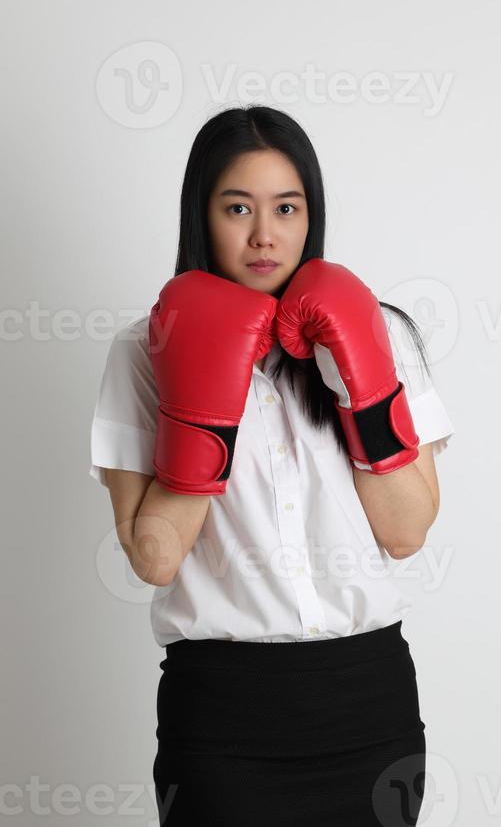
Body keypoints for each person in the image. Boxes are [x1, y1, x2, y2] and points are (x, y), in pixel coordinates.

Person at [88, 105, 454, 826]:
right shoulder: (142, 351)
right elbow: (155, 559)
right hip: (222, 713)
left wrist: (360, 378)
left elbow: (406, 532)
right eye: (237, 207)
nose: (264, 234)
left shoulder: (376, 332)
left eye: (286, 208)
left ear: (309, 215)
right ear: (203, 214)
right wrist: (204, 400)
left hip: (368, 699)